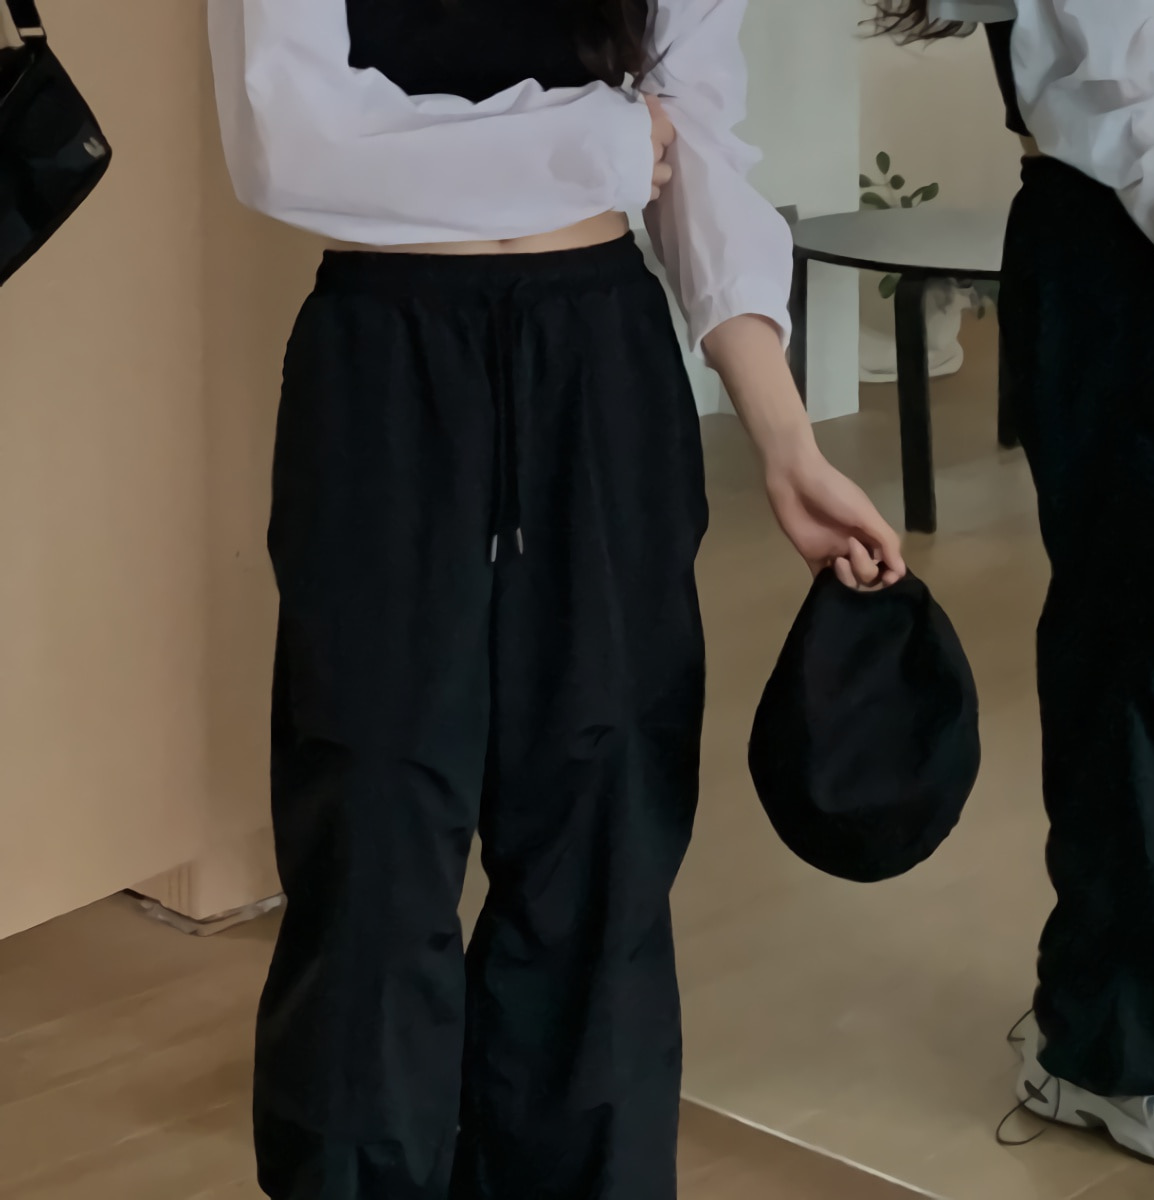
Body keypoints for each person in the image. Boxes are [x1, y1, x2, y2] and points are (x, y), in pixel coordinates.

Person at [207, 1, 905, 1195]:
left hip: (602, 359)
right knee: (372, 844)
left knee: (605, 846)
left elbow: (701, 149)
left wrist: (785, 436)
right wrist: (604, 139)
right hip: (383, 363)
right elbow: (288, 144)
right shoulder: (608, 141)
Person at [875, 0, 1154, 1169]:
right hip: (1134, 243)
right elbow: (1111, 90)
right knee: (1144, 656)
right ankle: (1116, 1051)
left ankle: (1131, 1006)